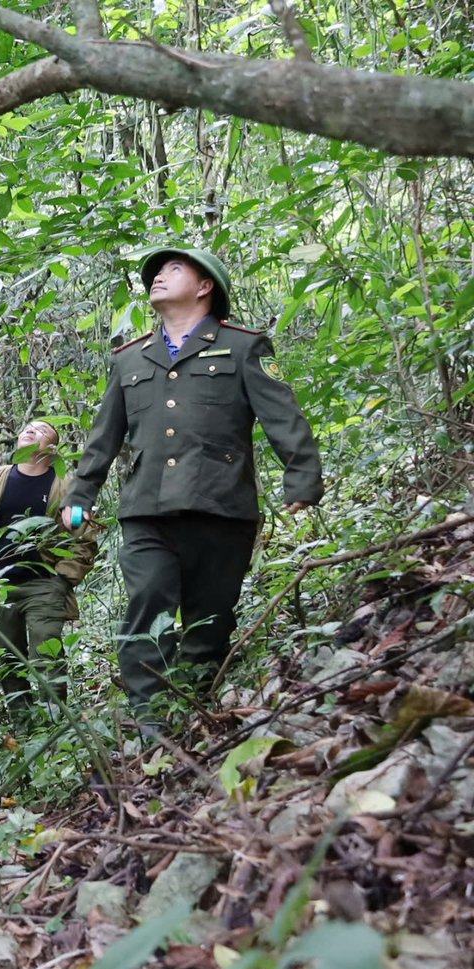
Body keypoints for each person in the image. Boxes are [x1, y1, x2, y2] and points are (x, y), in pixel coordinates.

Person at [63, 246, 323, 731]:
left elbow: (283, 416)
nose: (158, 277)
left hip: (221, 506)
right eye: (156, 272)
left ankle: (190, 715)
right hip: (147, 510)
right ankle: (152, 728)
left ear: (205, 287)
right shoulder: (129, 359)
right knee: (147, 607)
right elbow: (103, 437)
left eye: (173, 269)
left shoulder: (244, 347)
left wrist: (302, 477)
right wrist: (80, 495)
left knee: (211, 621)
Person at [0, 419, 98, 712]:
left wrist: (62, 579)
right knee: (8, 660)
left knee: (47, 655)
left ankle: (55, 721)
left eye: (43, 431)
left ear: (53, 449)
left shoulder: (66, 487)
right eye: (29, 427)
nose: (32, 431)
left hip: (44, 585)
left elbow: (84, 539)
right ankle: (21, 724)